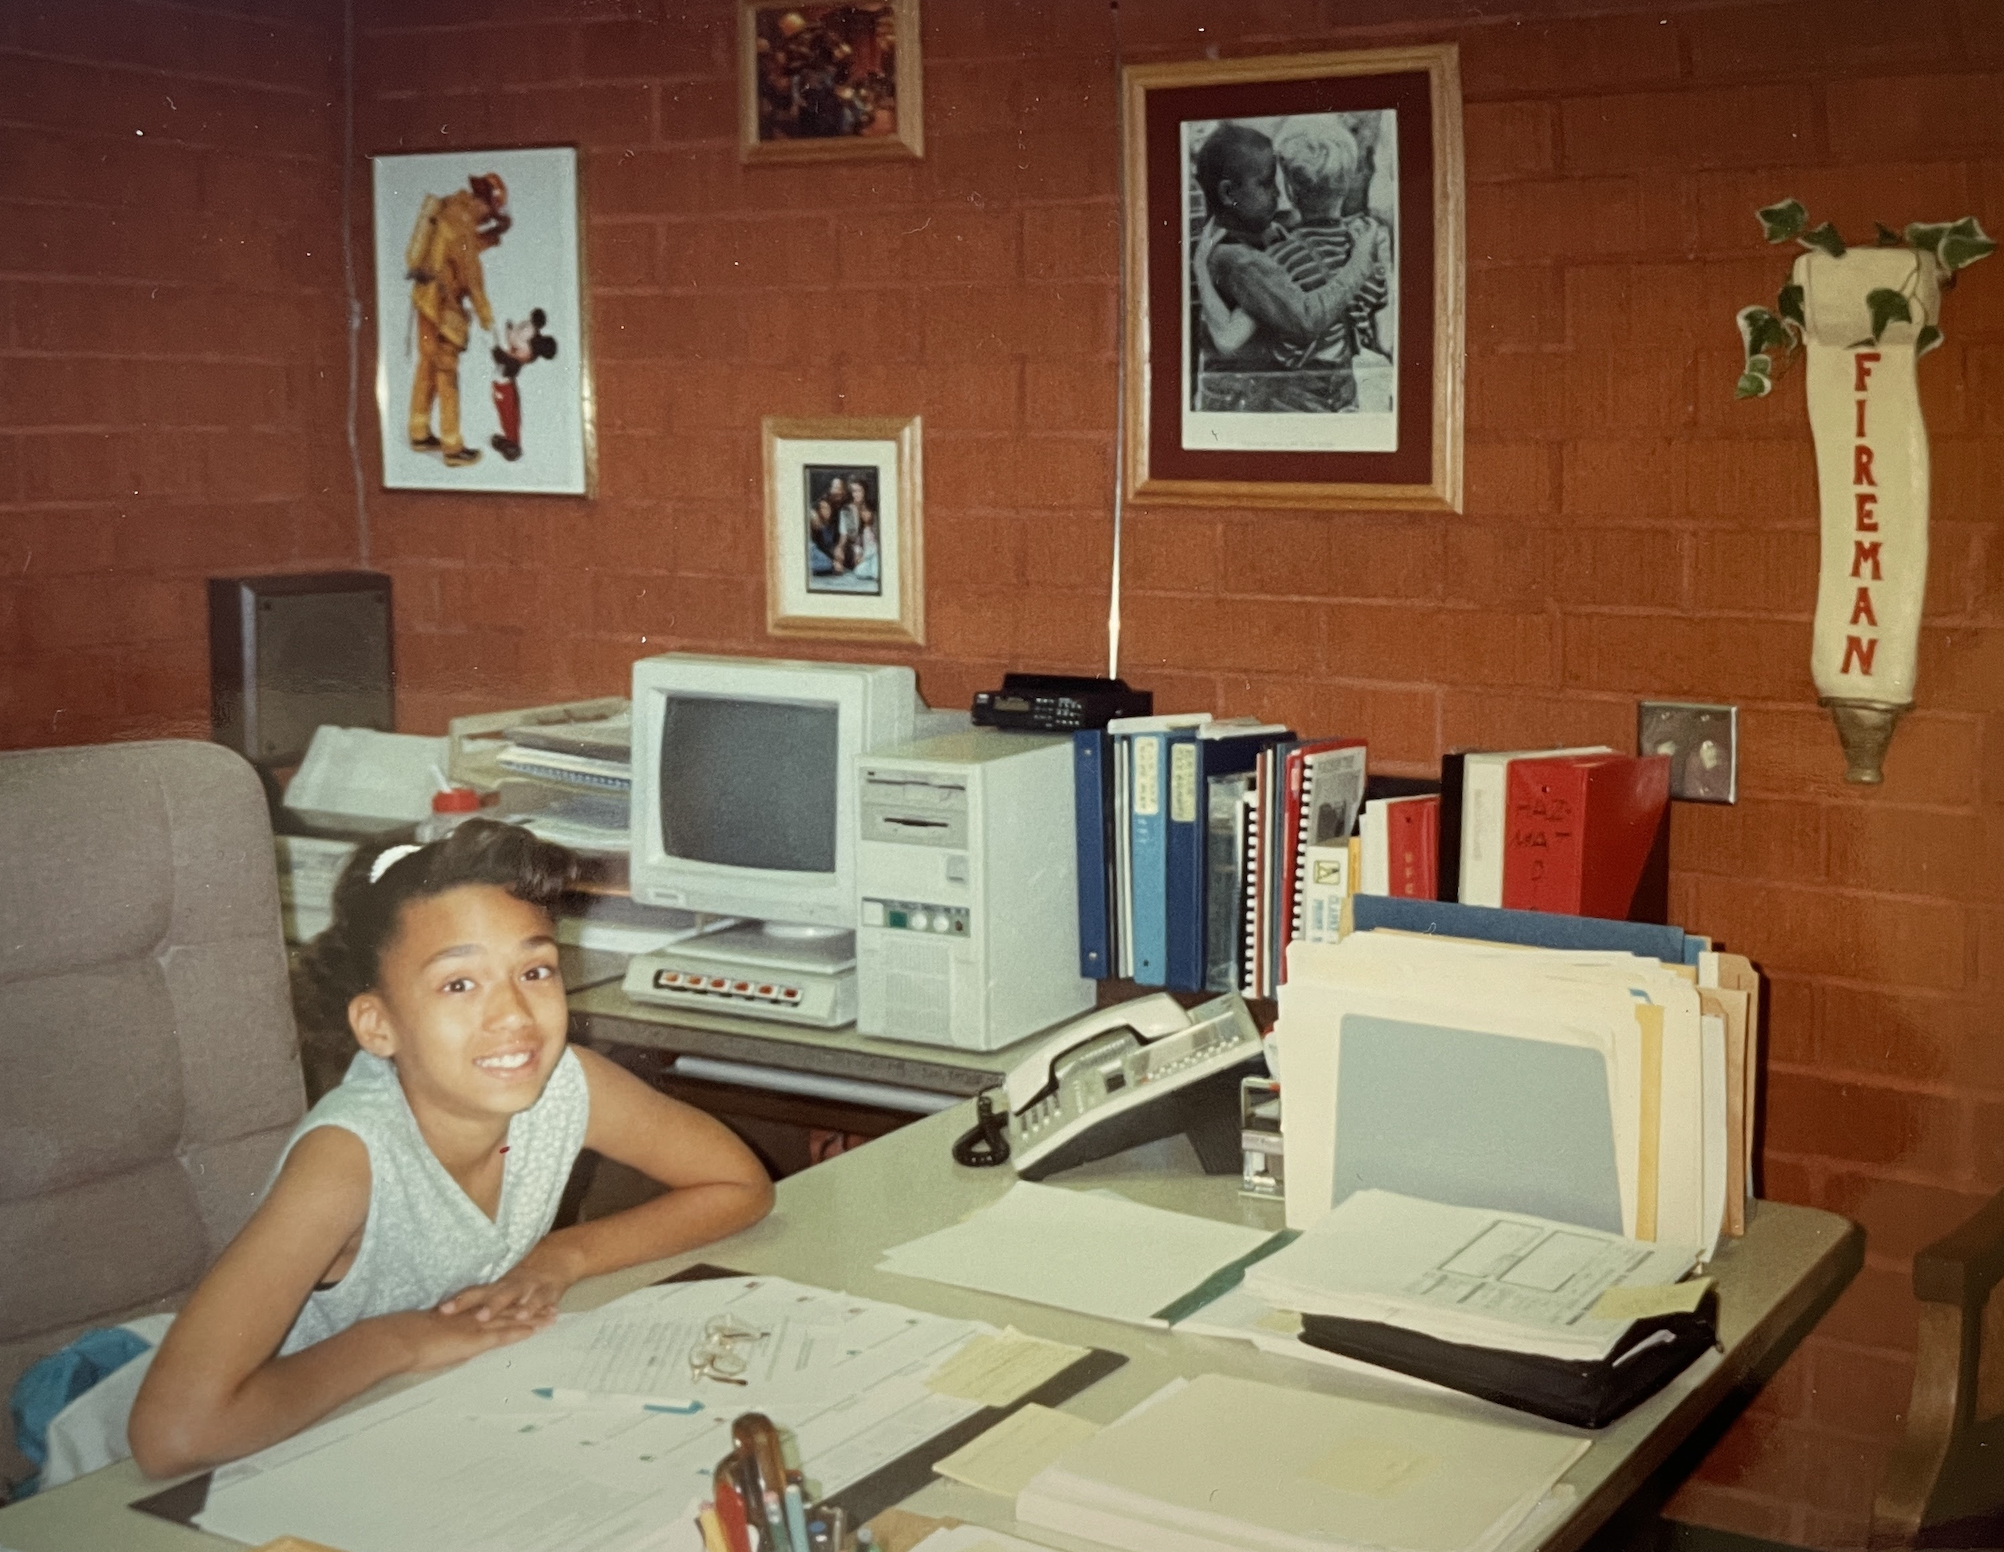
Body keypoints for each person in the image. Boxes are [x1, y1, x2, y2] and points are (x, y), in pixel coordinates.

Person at [127, 821, 774, 1477]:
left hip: (431, 1427)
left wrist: (560, 1257)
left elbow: (738, 1186)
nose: (514, 1016)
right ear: (378, 1025)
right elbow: (174, 1433)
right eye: (459, 984)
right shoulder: (348, 1161)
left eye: (534, 970)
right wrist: (398, 1340)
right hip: (270, 1454)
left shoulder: (563, 1084)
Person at [1189, 123, 1389, 414]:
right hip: (1259, 405)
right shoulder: (1245, 262)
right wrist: (1359, 261)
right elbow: (1306, 317)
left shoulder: (1271, 246)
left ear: (1293, 191)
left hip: (1287, 399)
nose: (1277, 195)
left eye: (1277, 183)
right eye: (1267, 183)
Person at [407, 173, 510, 467]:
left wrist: (490, 238)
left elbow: (456, 250)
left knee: (426, 364)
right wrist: (487, 317)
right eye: (490, 212)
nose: (488, 216)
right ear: (485, 204)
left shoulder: (451, 208)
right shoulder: (463, 225)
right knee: (447, 373)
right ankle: (453, 449)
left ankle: (418, 432)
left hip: (424, 299)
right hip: (443, 308)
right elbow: (472, 278)